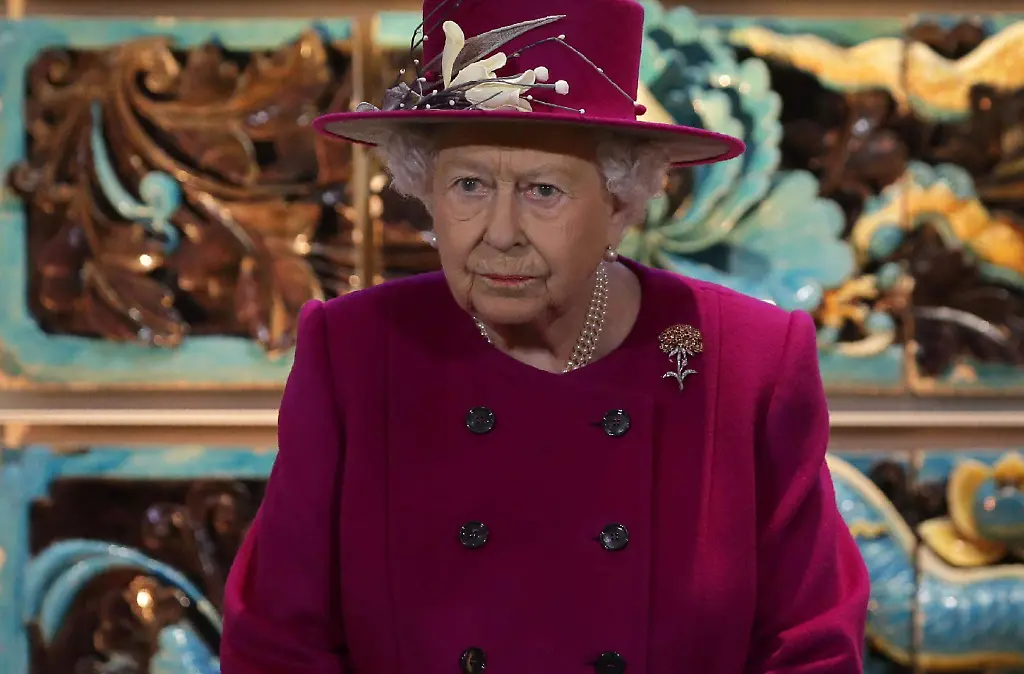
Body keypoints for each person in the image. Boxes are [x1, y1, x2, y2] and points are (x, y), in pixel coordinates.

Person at [219, 0, 870, 671]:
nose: (500, 233)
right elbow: (275, 645)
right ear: (427, 192)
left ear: (619, 206)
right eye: (469, 185)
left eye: (543, 191)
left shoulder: (748, 360)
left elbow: (812, 647)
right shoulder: (353, 351)